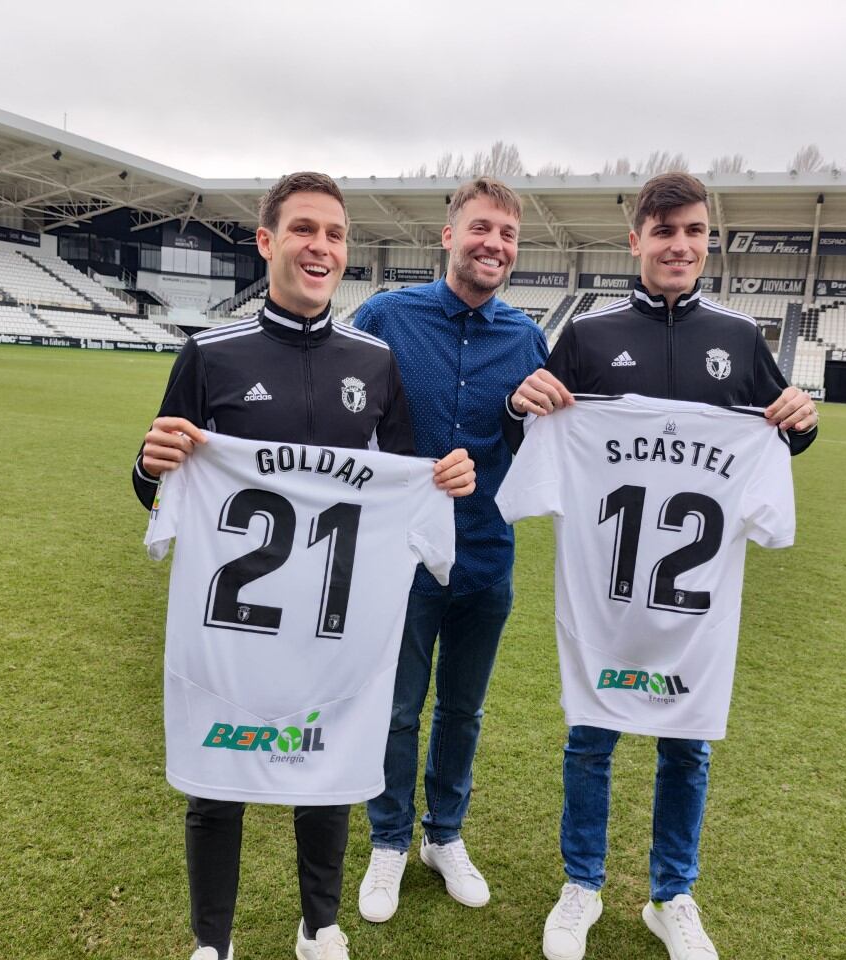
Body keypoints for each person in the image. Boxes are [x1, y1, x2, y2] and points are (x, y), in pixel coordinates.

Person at [131, 171, 476, 960]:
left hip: (333, 619)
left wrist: (446, 478)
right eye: (304, 230)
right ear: (268, 241)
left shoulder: (375, 363)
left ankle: (319, 923)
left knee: (328, 765)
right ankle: (210, 941)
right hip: (233, 622)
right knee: (218, 776)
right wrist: (150, 470)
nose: (321, 247)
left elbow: (411, 478)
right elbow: (158, 489)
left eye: (335, 234)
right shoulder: (209, 355)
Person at [503, 172, 818, 960]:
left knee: (688, 743)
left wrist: (801, 419)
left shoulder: (742, 339)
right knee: (591, 734)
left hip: (695, 602)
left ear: (708, 240)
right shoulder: (589, 336)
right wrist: (522, 405)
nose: (681, 245)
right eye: (666, 230)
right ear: (635, 238)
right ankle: (582, 885)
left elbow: (780, 438)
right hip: (605, 589)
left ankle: (672, 895)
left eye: (696, 231)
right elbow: (536, 445)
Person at [352, 177, 549, 923]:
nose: (494, 244)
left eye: (507, 235)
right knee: (399, 709)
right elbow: (347, 417)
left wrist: (512, 416)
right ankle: (388, 840)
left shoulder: (528, 339)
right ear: (448, 235)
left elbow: (539, 448)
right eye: (481, 229)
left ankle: (445, 836)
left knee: (463, 712)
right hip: (399, 558)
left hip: (487, 557)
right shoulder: (385, 317)